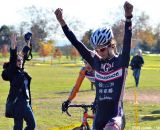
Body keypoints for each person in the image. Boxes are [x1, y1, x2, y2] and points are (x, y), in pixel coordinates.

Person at [55, 1, 133, 130]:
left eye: (102, 49)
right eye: (96, 50)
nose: (99, 53)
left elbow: (128, 39)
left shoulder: (121, 61)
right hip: (99, 118)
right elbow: (77, 43)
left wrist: (128, 18)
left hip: (115, 117)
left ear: (111, 45)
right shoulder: (96, 62)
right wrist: (62, 22)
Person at [1, 34, 36, 130]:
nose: (20, 61)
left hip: (26, 103)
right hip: (17, 104)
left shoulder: (21, 70)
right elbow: (13, 55)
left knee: (32, 125)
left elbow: (25, 51)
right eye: (18, 61)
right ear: (14, 63)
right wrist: (13, 43)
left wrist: (28, 40)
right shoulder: (13, 71)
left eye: (21, 60)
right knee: (18, 127)